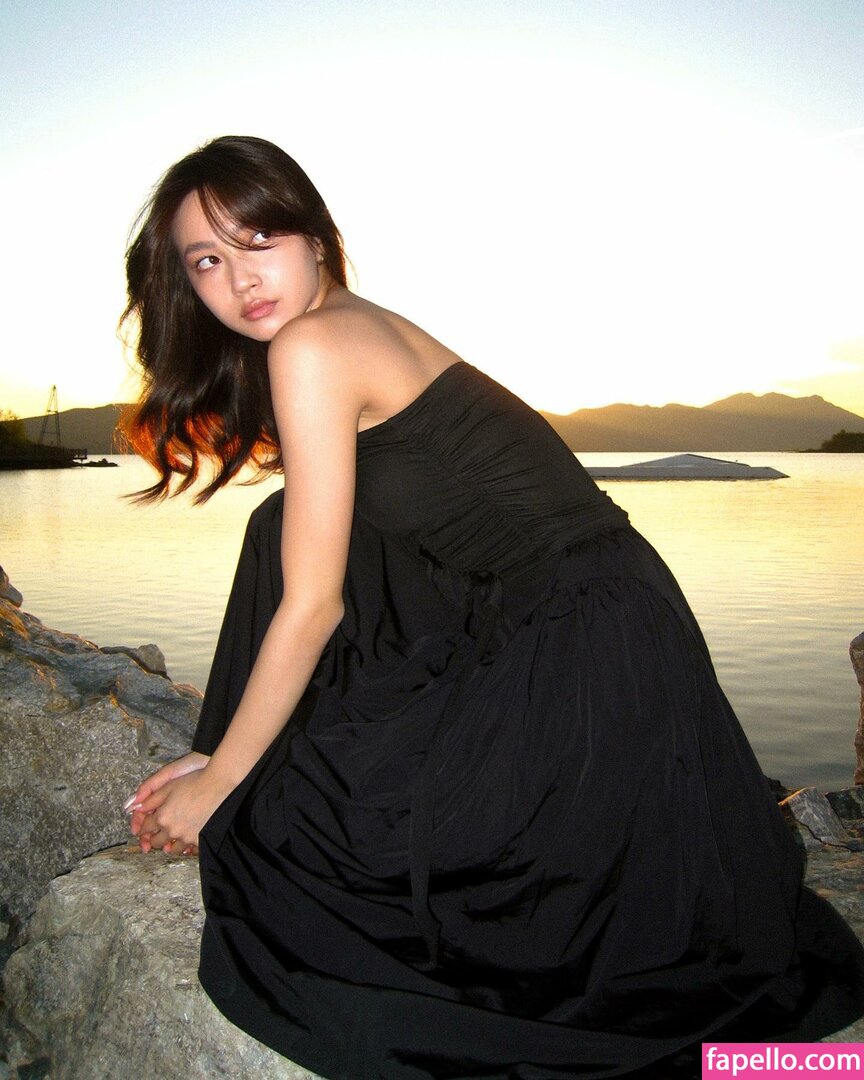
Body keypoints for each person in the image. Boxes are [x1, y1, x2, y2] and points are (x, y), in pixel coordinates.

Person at [122, 136, 864, 1080]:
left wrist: (221, 781)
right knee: (284, 525)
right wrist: (227, 744)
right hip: (608, 627)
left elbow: (313, 607)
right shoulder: (346, 325)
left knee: (310, 843)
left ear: (313, 233)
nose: (239, 280)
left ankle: (248, 764)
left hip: (587, 664)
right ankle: (247, 747)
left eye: (257, 239)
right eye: (206, 261)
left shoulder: (315, 344)